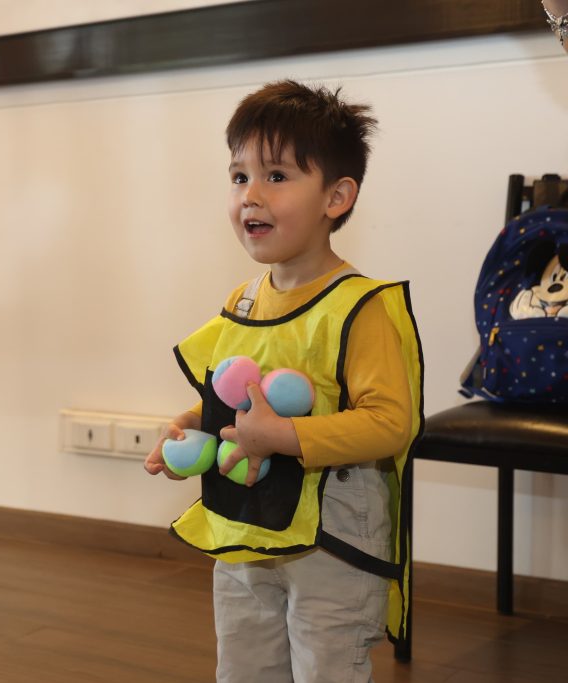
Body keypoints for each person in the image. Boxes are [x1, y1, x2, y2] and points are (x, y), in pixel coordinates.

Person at [143, 80, 423, 682]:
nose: (251, 195)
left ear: (336, 197)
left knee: (327, 667)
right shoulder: (242, 303)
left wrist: (281, 437)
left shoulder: (359, 307)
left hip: (331, 542)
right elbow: (233, 403)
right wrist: (190, 427)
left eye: (276, 176)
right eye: (239, 176)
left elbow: (389, 424)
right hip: (248, 527)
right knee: (244, 665)